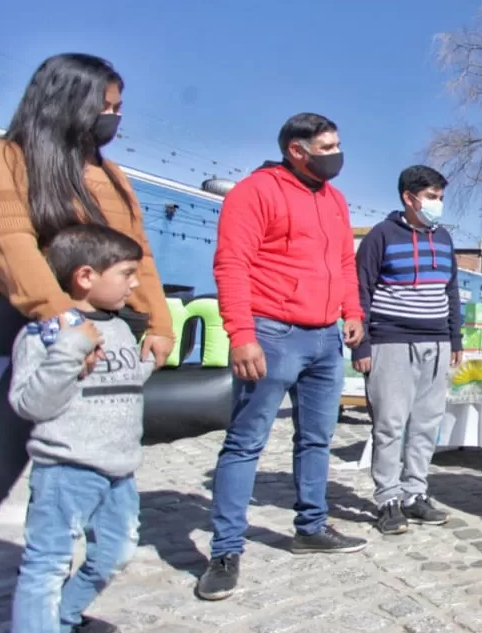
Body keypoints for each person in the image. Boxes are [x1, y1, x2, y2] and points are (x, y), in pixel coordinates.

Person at [0, 53, 174, 573]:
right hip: (12, 325)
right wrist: (62, 318)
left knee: (72, 466)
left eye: (118, 108)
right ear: (68, 103)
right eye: (104, 107)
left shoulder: (111, 177)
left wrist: (158, 319)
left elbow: (136, 256)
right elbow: (9, 244)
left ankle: (53, 596)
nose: (113, 118)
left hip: (93, 335)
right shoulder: (4, 158)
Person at [195, 113, 366, 602]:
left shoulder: (334, 199)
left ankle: (311, 527)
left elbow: (342, 263)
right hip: (271, 335)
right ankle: (225, 551)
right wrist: (241, 334)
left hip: (325, 340)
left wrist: (351, 310)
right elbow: (231, 263)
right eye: (327, 146)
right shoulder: (255, 191)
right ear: (297, 150)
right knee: (246, 441)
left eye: (337, 143)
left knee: (317, 439)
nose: (336, 154)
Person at [9, 224, 155, 633]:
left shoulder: (121, 327)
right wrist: (71, 350)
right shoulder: (45, 334)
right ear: (86, 276)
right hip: (66, 471)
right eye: (126, 273)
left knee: (115, 553)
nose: (135, 283)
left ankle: (62, 618)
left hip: (119, 472)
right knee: (47, 566)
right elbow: (30, 403)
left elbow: (117, 384)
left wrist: (147, 364)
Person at [354, 165, 462, 535]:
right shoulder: (380, 237)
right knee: (389, 425)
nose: (437, 204)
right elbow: (361, 293)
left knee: (426, 425)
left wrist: (455, 339)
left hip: (437, 342)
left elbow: (451, 291)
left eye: (440, 198)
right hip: (391, 342)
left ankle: (415, 494)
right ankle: (388, 499)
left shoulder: (444, 238)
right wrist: (361, 345)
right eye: (431, 197)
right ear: (409, 197)